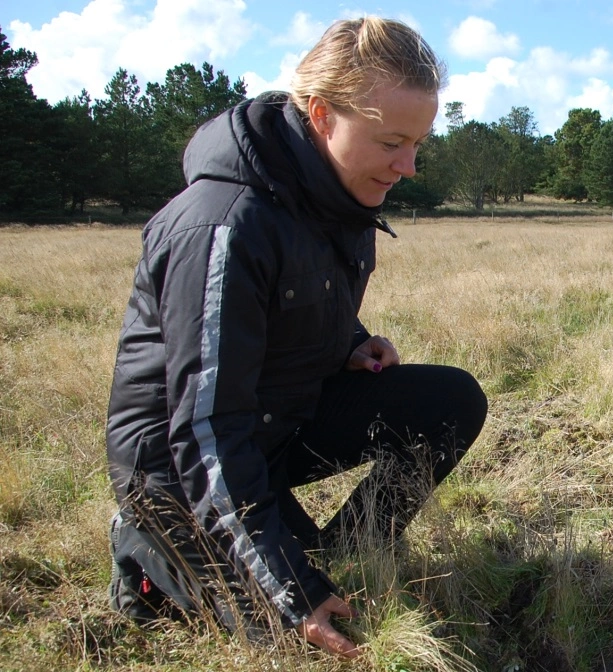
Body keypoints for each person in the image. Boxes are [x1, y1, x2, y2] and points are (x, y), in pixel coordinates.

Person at [105, 17, 487, 659]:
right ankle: (151, 549)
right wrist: (291, 586)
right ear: (321, 115)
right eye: (392, 142)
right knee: (289, 639)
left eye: (418, 143)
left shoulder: (337, 195)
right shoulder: (223, 227)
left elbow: (291, 308)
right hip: (180, 462)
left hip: (270, 427)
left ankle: (348, 555)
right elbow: (203, 428)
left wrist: (349, 343)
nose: (408, 166)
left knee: (450, 401)